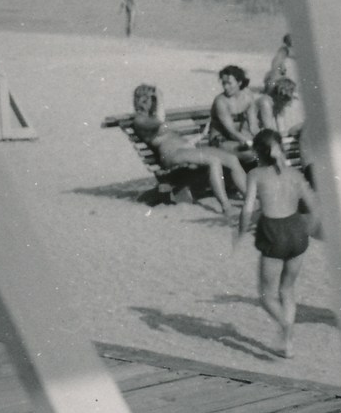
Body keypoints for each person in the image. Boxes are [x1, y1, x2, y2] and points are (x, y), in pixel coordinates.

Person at [234, 128, 319, 358]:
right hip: (296, 231)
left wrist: (240, 232)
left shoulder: (255, 175)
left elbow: (248, 209)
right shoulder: (295, 175)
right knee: (288, 290)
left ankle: (285, 325)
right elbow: (313, 207)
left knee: (266, 295)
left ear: (257, 154)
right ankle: (287, 345)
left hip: (274, 232)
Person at [130, 83, 248, 215]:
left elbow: (173, 137)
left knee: (231, 159)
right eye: (153, 99)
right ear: (143, 100)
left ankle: (249, 198)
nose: (156, 102)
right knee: (213, 161)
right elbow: (159, 119)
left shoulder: (152, 116)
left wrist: (201, 136)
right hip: (172, 155)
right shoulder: (139, 120)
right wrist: (160, 98)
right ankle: (226, 207)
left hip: (185, 149)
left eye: (155, 99)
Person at [210, 65, 259, 155]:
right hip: (220, 140)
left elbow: (253, 126)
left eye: (229, 83)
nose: (225, 87)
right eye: (223, 83)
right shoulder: (220, 101)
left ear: (239, 82)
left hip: (238, 139)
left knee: (265, 150)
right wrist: (251, 142)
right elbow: (231, 131)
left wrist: (261, 140)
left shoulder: (248, 98)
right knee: (251, 154)